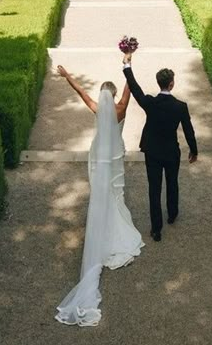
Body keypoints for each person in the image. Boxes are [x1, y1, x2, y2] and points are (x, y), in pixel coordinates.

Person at [55, 66, 143, 327]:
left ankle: (101, 220)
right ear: (113, 95)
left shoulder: (96, 108)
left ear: (101, 95)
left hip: (98, 158)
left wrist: (67, 75)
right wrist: (128, 62)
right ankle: (114, 223)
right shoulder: (120, 109)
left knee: (101, 192)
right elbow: (130, 88)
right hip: (114, 158)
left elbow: (80, 91)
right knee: (116, 192)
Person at [122, 51, 197, 242]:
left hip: (153, 151)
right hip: (171, 151)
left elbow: (135, 89)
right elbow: (189, 131)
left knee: (154, 189)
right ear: (171, 84)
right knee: (172, 183)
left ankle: (156, 229)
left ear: (159, 83)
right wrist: (193, 150)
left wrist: (127, 66)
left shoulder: (150, 103)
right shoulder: (180, 106)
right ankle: (172, 214)